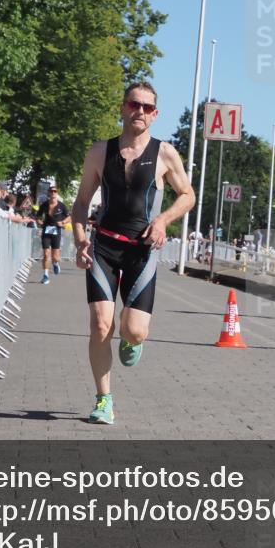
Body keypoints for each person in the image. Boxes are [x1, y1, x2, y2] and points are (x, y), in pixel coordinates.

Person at [71, 82, 194, 425]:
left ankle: (131, 339)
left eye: (147, 107)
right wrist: (81, 239)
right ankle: (103, 400)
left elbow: (187, 195)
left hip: (142, 251)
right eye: (133, 104)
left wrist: (163, 219)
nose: (139, 111)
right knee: (99, 325)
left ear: (155, 115)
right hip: (104, 247)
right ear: (123, 108)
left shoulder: (165, 153)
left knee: (135, 330)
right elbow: (81, 204)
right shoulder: (100, 152)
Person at [34, 186, 69, 284]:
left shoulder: (61, 206)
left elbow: (69, 217)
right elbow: (38, 216)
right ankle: (45, 275)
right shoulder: (44, 205)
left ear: (57, 193)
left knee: (55, 256)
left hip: (56, 232)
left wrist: (62, 222)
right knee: (46, 254)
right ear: (49, 193)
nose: (53, 193)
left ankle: (55, 263)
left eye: (55, 191)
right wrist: (39, 221)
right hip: (46, 231)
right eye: (51, 191)